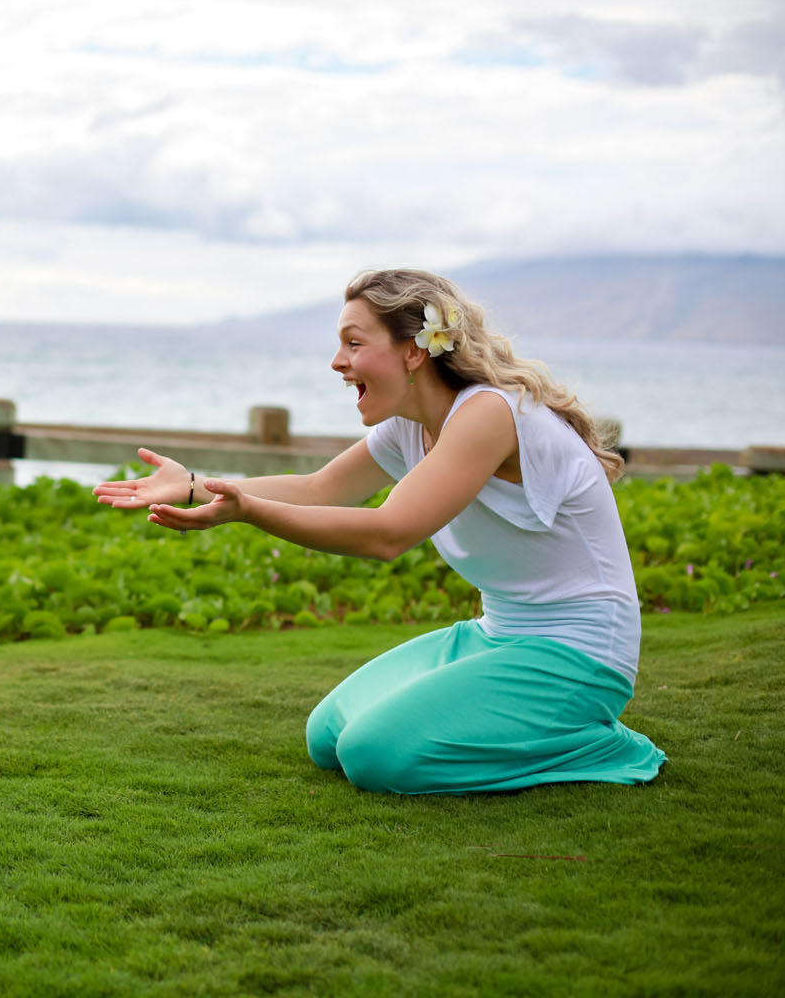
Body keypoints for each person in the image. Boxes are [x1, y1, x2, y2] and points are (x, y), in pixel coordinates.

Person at [93, 268, 666, 795]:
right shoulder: (410, 429)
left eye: (354, 343)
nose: (338, 362)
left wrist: (248, 510)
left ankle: (595, 741)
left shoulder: (489, 414)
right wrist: (196, 484)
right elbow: (321, 490)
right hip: (496, 635)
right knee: (328, 738)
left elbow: (387, 534)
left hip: (581, 653)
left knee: (374, 756)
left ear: (414, 351)